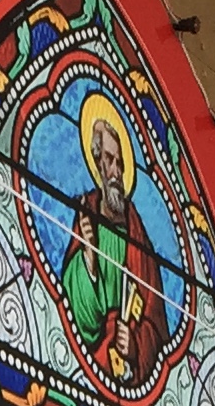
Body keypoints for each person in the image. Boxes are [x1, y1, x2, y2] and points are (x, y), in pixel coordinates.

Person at [55, 99, 169, 389]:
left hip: (131, 371)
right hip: (88, 367)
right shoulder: (86, 219)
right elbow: (76, 317)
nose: (116, 171)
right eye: (109, 160)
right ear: (97, 163)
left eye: (120, 162)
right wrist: (89, 260)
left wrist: (135, 343)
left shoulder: (140, 238)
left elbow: (156, 321)